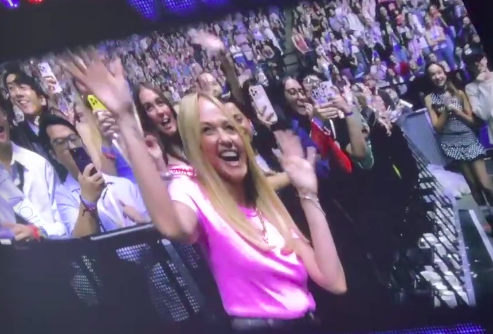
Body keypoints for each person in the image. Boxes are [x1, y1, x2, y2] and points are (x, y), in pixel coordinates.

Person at [63, 53, 346, 334]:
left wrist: (308, 194)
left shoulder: (265, 204)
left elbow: (334, 281)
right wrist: (125, 119)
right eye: (208, 130)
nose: (225, 137)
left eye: (228, 127)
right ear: (196, 147)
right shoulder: (192, 190)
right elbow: (173, 226)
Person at [38, 114, 149, 237]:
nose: (72, 147)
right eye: (61, 143)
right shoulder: (64, 195)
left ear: (83, 144)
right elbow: (81, 243)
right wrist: (88, 200)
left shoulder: (123, 184)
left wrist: (144, 223)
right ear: (54, 155)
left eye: (73, 139)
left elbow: (157, 230)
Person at [425, 62, 493, 213]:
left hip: (469, 139)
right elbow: (437, 127)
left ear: (445, 72)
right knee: (473, 186)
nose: (437, 76)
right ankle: (489, 217)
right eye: (433, 74)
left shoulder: (460, 93)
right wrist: (446, 110)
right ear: (429, 78)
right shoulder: (429, 98)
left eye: (439, 72)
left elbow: (472, 121)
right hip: (452, 143)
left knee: (484, 184)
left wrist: (457, 111)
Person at [0, 103, 67, 239]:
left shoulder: (38, 164)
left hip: (55, 253)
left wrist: (40, 233)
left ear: (4, 116)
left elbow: (66, 224)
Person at [3, 68, 67, 179]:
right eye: (11, 88)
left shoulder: (64, 123)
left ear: (41, 98)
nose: (18, 93)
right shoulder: (18, 137)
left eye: (22, 86)